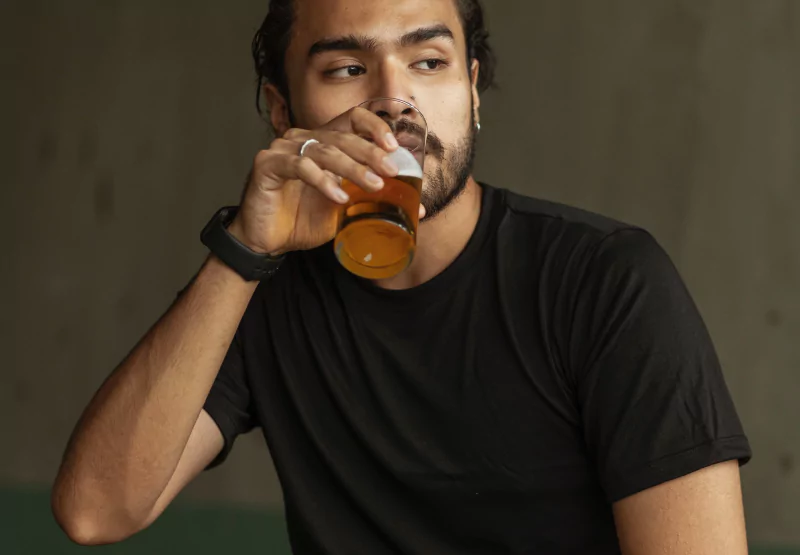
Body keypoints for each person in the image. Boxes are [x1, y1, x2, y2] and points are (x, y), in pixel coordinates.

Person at [52, 0, 752, 553]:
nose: (394, 102)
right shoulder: (262, 288)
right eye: (347, 70)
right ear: (281, 111)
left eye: (428, 61)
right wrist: (242, 251)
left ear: (472, 90)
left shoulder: (605, 283)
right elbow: (95, 511)